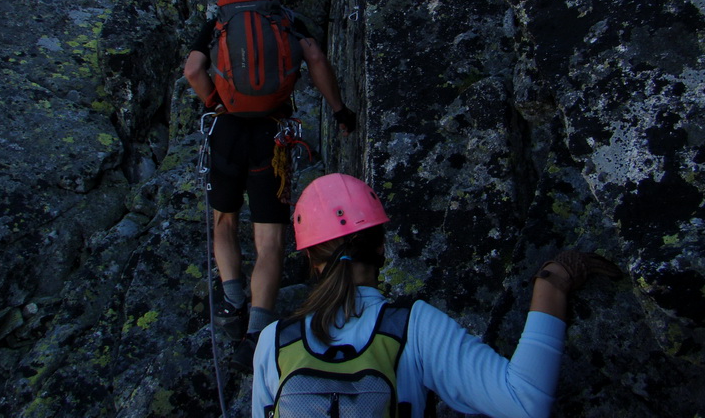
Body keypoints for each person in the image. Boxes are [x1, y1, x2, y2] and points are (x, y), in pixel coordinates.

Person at [252, 173, 622, 417]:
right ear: (382, 247)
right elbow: (525, 402)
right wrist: (551, 284)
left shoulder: (274, 343)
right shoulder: (413, 327)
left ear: (311, 260)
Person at [184, 0, 357, 371]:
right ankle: (259, 331)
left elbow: (193, 69)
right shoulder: (285, 18)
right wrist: (339, 110)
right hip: (272, 137)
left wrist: (215, 104)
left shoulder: (219, 20)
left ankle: (232, 301)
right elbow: (313, 57)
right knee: (271, 240)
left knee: (224, 220)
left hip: (226, 131)